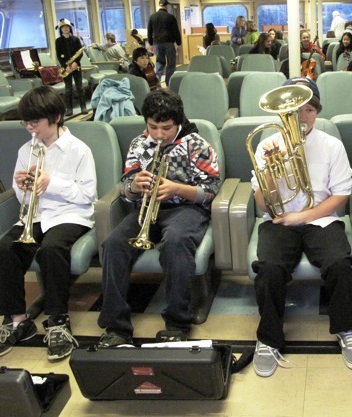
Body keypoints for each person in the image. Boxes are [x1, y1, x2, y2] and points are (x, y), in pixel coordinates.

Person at [250, 76, 352, 377]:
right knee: (269, 269)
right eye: (294, 110)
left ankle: (348, 328)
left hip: (321, 218)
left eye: (309, 110)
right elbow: (263, 204)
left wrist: (305, 216)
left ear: (317, 111)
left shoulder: (332, 145)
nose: (301, 117)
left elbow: (341, 195)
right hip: (278, 219)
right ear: (280, 113)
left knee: (340, 263)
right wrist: (275, 171)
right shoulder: (267, 146)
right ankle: (268, 338)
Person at [97, 89, 221, 347]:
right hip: (145, 209)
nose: (159, 134)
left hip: (186, 209)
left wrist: (176, 189)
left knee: (175, 242)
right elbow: (126, 190)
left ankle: (177, 323)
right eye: (152, 127)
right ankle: (116, 327)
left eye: (166, 128)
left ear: (178, 122)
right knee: (113, 245)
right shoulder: (138, 144)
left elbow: (211, 191)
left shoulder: (196, 144)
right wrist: (134, 187)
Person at [0, 86, 97, 360]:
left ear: (55, 117)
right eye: (26, 123)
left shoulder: (79, 150)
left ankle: (58, 321)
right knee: (5, 248)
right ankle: (18, 319)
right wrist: (21, 187)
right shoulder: (25, 149)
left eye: (35, 123)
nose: (30, 129)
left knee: (52, 249)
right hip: (37, 215)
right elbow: (22, 197)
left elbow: (86, 195)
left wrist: (51, 183)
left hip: (71, 214)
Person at [55, 18, 86, 116]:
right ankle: (69, 108)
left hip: (76, 66)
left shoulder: (76, 39)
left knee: (79, 87)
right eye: (63, 27)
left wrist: (76, 62)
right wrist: (65, 66)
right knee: (68, 88)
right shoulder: (58, 41)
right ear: (61, 29)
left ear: (70, 28)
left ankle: (83, 107)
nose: (65, 29)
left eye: (67, 27)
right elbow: (59, 55)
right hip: (66, 68)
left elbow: (80, 53)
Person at [147, 0, 181, 86]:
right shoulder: (170, 17)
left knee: (159, 62)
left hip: (157, 43)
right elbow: (176, 31)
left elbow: (149, 31)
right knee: (171, 63)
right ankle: (168, 82)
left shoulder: (152, 17)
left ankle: (157, 79)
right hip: (169, 42)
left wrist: (151, 43)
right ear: (167, 6)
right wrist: (178, 43)